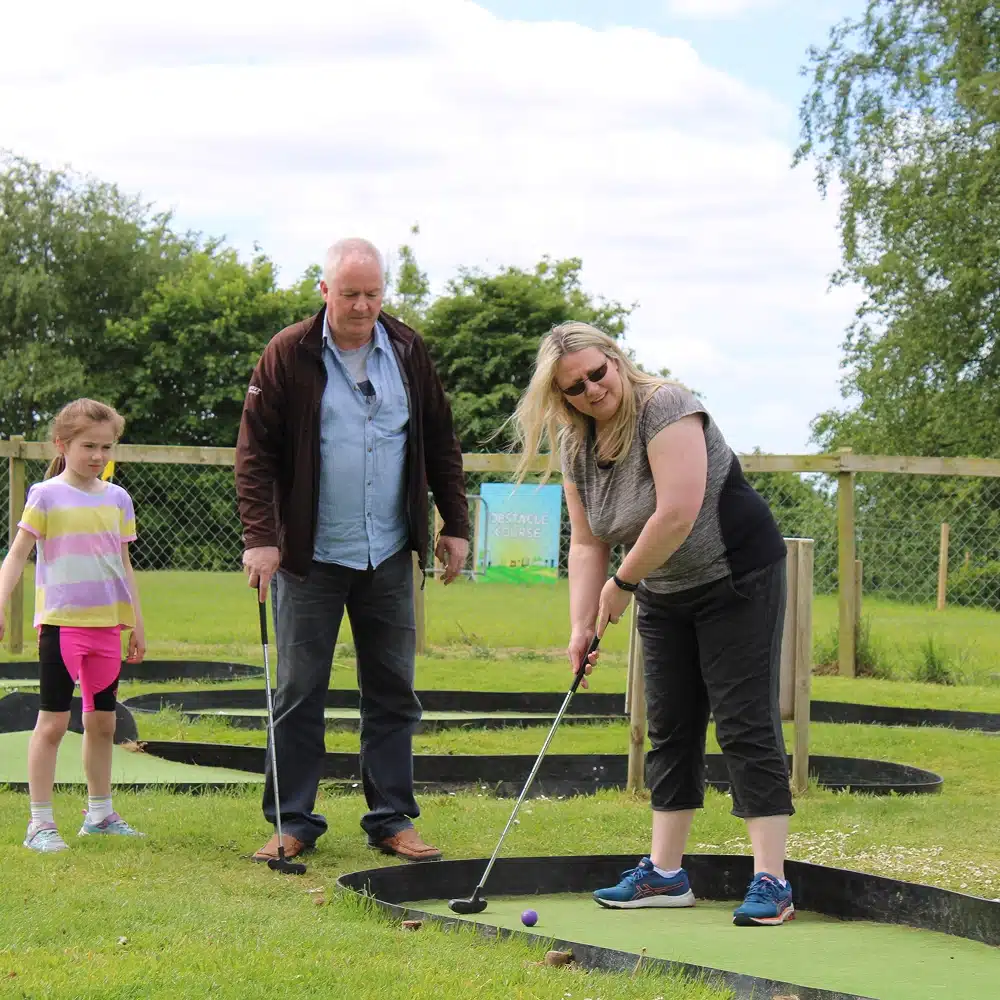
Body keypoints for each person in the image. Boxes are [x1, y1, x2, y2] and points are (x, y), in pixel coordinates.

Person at [511, 321, 794, 927]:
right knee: (670, 726)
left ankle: (772, 880)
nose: (592, 389)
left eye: (597, 372)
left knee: (744, 724)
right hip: (664, 588)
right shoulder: (575, 447)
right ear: (560, 397)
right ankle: (666, 875)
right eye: (574, 386)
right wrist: (581, 623)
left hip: (735, 576)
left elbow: (676, 514)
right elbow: (587, 543)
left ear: (616, 360)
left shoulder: (668, 406)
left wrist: (622, 586)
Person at [235, 237, 470, 865]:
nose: (362, 306)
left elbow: (440, 440)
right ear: (324, 291)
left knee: (393, 691)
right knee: (299, 689)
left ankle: (392, 820)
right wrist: (261, 538)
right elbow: (254, 454)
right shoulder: (289, 353)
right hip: (308, 558)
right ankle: (292, 823)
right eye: (349, 294)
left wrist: (456, 522)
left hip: (389, 553)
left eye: (372, 293)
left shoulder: (408, 350)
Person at [0, 399, 147, 853]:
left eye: (106, 447)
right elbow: (18, 555)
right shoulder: (46, 495)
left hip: (108, 630)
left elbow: (123, 564)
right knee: (53, 724)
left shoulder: (118, 499)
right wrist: (2, 603)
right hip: (63, 629)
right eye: (88, 446)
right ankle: (40, 824)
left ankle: (99, 814)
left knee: (103, 724)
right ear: (62, 445)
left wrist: (136, 622)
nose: (99, 456)